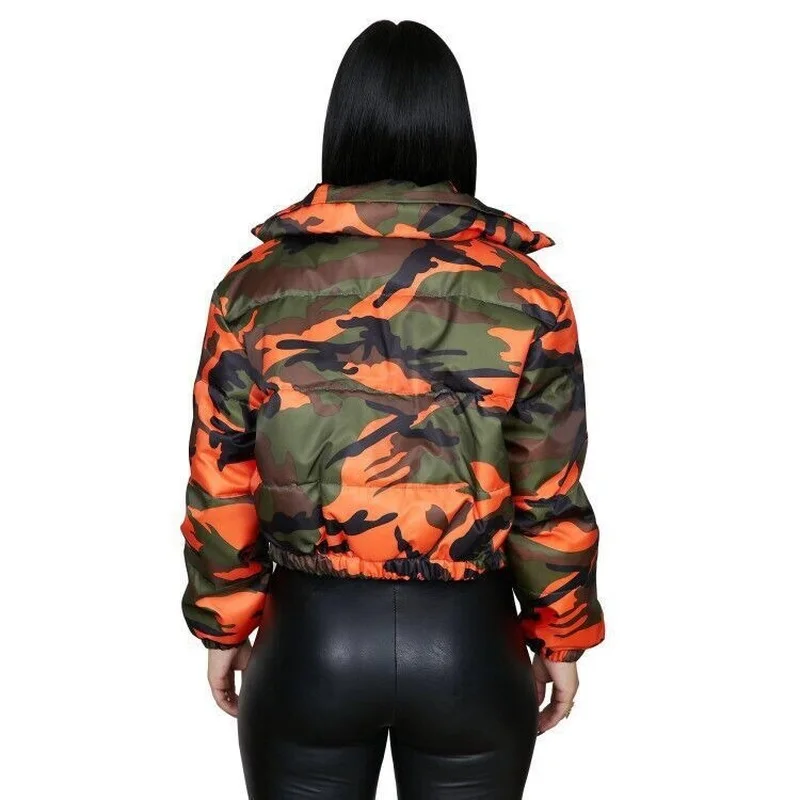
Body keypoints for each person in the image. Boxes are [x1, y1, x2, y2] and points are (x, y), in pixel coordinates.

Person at [179, 19, 604, 800]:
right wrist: (561, 636)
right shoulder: (530, 296)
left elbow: (220, 477)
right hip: (470, 647)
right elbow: (550, 490)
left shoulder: (253, 289)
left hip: (311, 642)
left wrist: (223, 623)